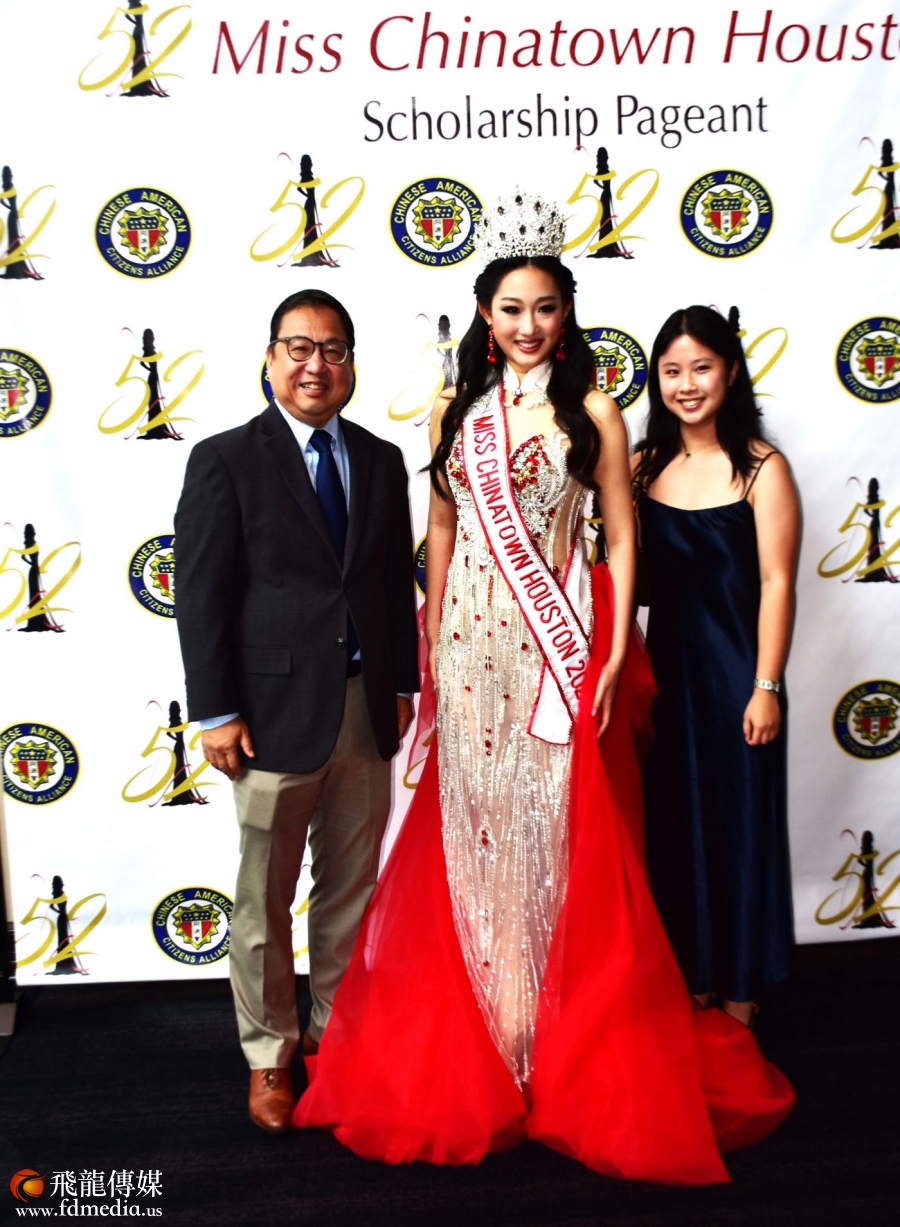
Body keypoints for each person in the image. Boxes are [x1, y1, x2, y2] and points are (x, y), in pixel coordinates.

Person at [294, 196, 794, 1183]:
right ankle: (489, 1032)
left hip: (557, 653)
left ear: (568, 316)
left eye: (547, 308)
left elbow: (622, 537)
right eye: (513, 308)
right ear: (488, 315)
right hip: (470, 653)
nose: (530, 325)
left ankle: (552, 1035)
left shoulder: (595, 412)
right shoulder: (455, 413)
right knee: (472, 836)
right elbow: (441, 532)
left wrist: (606, 657)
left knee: (557, 837)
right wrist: (433, 646)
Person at [174, 289, 419, 1133]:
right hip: (269, 715)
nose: (318, 365)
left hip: (362, 708)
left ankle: (334, 1032)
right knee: (262, 901)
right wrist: (215, 710)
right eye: (300, 348)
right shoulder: (224, 459)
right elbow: (201, 593)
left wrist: (400, 687)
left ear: (351, 361)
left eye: (334, 349)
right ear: (271, 358)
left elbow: (387, 583)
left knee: (349, 888)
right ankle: (268, 1054)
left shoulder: (380, 459)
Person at [634, 305, 801, 1030]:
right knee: (675, 828)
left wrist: (766, 686)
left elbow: (777, 583)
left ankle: (739, 991)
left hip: (738, 677)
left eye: (701, 367)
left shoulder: (763, 467)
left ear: (731, 371)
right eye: (672, 370)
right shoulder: (642, 465)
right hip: (664, 680)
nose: (686, 384)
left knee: (741, 829)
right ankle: (691, 979)